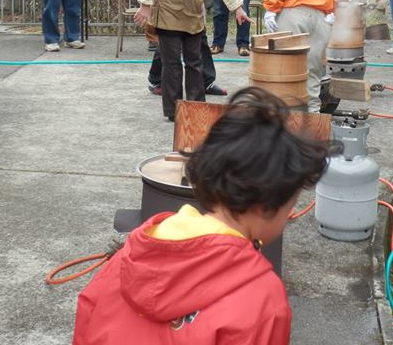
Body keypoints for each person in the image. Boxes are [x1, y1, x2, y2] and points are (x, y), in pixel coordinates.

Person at [72, 87, 332, 345]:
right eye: (290, 205)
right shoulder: (263, 298)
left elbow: (87, 319)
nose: (292, 213)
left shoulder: (128, 257)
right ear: (264, 205)